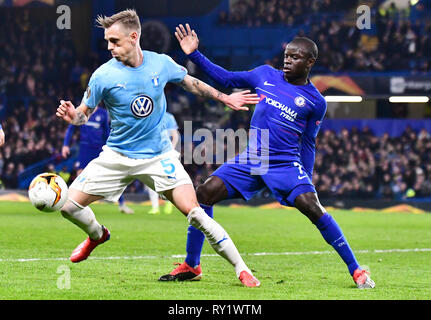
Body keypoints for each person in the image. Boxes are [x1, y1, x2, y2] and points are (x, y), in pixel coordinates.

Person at [159, 24, 375, 289]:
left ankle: (356, 270)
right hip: (253, 157)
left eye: (295, 57)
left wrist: (306, 178)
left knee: (313, 207)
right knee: (204, 193)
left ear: (310, 62)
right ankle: (192, 265)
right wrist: (195, 55)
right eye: (287, 55)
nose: (288, 60)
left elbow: (308, 142)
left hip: (285, 163)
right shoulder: (264, 75)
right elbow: (227, 79)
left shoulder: (316, 101)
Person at [55, 9, 261, 287]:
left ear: (134, 37)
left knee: (196, 213)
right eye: (107, 41)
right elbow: (84, 113)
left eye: (114, 41)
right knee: (67, 206)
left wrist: (224, 97)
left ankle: (242, 269)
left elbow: (191, 83)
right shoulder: (102, 76)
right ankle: (97, 235)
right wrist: (73, 117)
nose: (109, 47)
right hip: (116, 155)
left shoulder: (160, 64)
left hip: (159, 157)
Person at [62, 105, 134, 214]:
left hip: (99, 149)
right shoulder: (80, 112)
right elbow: (71, 128)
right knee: (80, 176)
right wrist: (66, 145)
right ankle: (73, 202)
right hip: (85, 148)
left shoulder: (103, 113)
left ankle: (122, 204)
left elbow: (107, 133)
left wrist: (113, 148)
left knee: (111, 176)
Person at [147, 111, 179, 215]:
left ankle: (169, 203)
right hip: (151, 152)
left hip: (166, 153)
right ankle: (155, 207)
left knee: (167, 179)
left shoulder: (168, 117)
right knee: (150, 179)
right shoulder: (148, 116)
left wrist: (172, 149)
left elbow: (175, 135)